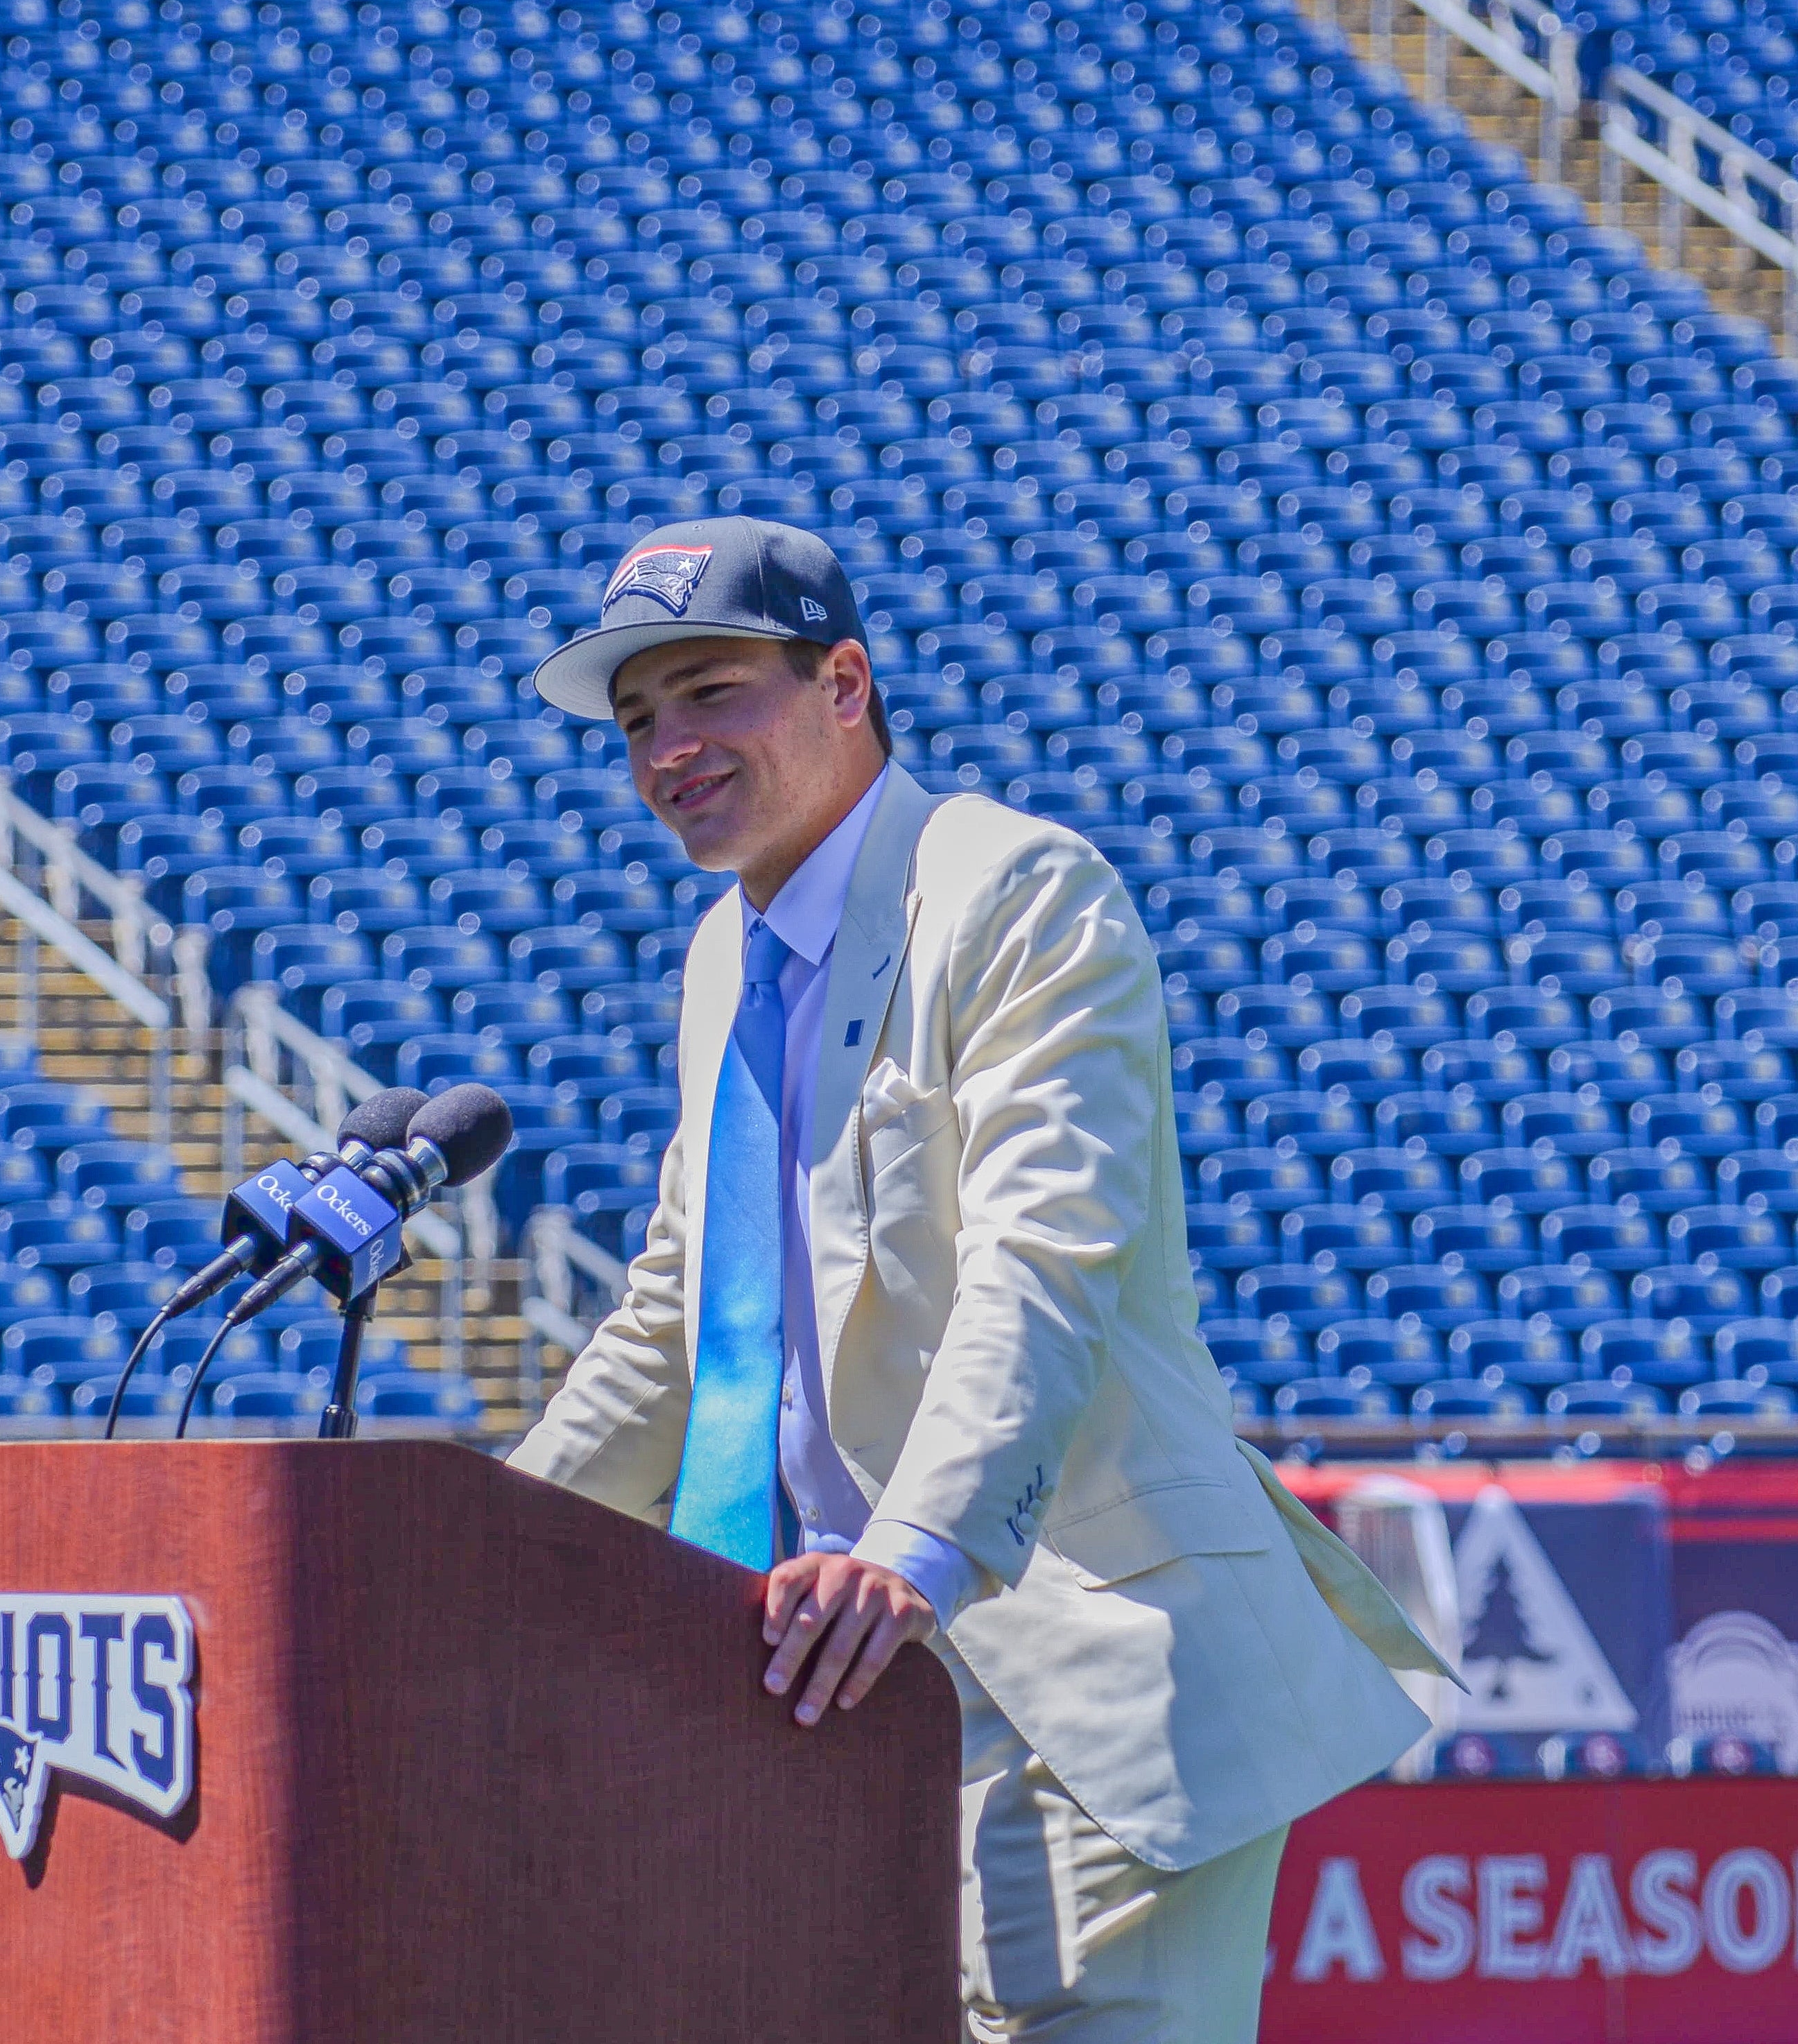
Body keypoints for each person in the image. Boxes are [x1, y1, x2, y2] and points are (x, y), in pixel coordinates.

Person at [508, 517, 1453, 2041]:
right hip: (839, 1691)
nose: (667, 747)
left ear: (844, 681)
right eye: (635, 722)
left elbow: (1043, 1261)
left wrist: (914, 1549)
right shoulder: (718, 959)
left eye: (707, 692)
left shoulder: (1015, 886)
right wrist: (470, 1566)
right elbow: (674, 1325)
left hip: (1065, 1667)